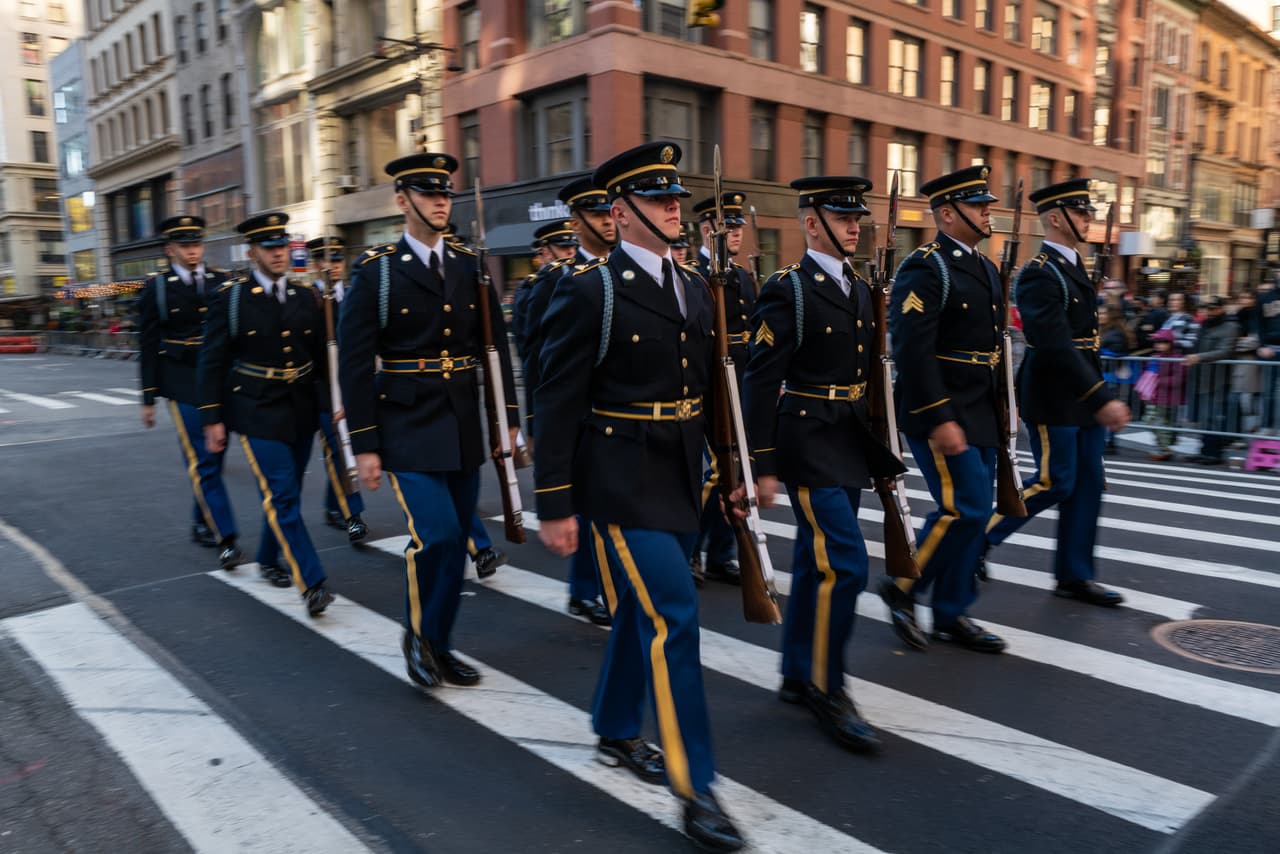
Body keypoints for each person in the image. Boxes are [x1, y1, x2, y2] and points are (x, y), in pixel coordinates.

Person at [534, 141, 743, 851]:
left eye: (677, 198)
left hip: (682, 474)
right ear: (621, 214)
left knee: (639, 612)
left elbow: (712, 390)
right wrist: (556, 502)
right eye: (659, 200)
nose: (675, 208)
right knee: (674, 615)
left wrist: (733, 470)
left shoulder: (691, 284)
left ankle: (615, 726)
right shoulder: (590, 290)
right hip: (619, 480)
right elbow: (556, 399)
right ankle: (697, 787)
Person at [338, 152, 518, 688]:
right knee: (436, 534)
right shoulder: (377, 272)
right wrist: (364, 445)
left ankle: (441, 642)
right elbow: (353, 361)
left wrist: (507, 417)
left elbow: (496, 348)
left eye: (445, 193)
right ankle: (418, 636)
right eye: (428, 193)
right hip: (406, 424)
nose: (441, 201)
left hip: (461, 423)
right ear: (403, 202)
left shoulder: (468, 265)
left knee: (455, 541)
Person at [740, 175, 900, 752]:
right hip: (807, 441)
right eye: (842, 217)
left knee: (815, 561)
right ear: (813, 223)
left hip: (848, 439)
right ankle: (830, 688)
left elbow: (868, 378)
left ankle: (796, 671)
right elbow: (760, 380)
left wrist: (882, 449)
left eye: (858, 217)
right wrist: (760, 464)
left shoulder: (859, 286)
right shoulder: (790, 289)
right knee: (848, 565)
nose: (855, 226)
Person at [981, 179, 1131, 607]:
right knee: (1055, 479)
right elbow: (1054, 343)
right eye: (1081, 213)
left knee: (1088, 484)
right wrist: (1102, 396)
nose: (1088, 219)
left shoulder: (1075, 268)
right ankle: (977, 537)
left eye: (1087, 212)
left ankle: (1075, 575)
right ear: (1054, 218)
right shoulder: (1039, 274)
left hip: (1082, 392)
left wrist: (1096, 396)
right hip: (1054, 394)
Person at [881, 165, 1008, 654]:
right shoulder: (925, 267)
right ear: (948, 214)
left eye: (986, 204)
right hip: (941, 407)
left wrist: (1003, 409)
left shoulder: (984, 266)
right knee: (966, 506)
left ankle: (953, 612)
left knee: (976, 516)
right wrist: (940, 416)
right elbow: (912, 350)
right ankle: (903, 585)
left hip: (979, 408)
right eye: (978, 206)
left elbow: (993, 347)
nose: (987, 211)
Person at [198, 212, 334, 615]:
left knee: (287, 488)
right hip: (256, 407)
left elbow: (321, 359)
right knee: (283, 493)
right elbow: (212, 361)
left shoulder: (304, 296)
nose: (279, 254)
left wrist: (334, 405)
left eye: (282, 247)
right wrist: (213, 417)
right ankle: (312, 582)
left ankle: (270, 557)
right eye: (270, 248)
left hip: (302, 406)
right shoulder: (232, 298)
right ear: (253, 252)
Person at [137, 215, 242, 569]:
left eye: (196, 243)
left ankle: (201, 520)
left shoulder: (221, 281)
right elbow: (148, 344)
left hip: (219, 379)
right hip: (180, 381)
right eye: (185, 245)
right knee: (202, 459)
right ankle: (225, 536)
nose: (193, 251)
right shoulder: (158, 288)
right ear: (170, 250)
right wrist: (148, 397)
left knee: (216, 453)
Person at [690, 191, 757, 587]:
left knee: (736, 472)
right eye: (728, 226)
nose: (735, 233)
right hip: (711, 386)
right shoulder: (692, 274)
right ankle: (691, 550)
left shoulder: (743, 276)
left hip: (743, 382)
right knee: (715, 473)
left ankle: (720, 554)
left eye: (737, 227)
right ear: (707, 229)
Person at [307, 236, 369, 543]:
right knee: (338, 448)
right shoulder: (308, 300)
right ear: (316, 265)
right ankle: (352, 515)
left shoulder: (355, 295)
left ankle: (334, 505)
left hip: (352, 386)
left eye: (337, 260)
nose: (332, 267)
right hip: (321, 388)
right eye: (326, 260)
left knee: (347, 450)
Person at [1184, 295, 1240, 465]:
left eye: (1213, 308)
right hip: (1200, 376)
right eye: (1207, 308)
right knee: (1203, 417)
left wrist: (1199, 357)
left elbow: (1225, 351)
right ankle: (1204, 451)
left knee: (1213, 417)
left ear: (1222, 308)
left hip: (1218, 378)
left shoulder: (1231, 326)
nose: (1209, 311)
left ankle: (1214, 453)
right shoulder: (1204, 326)